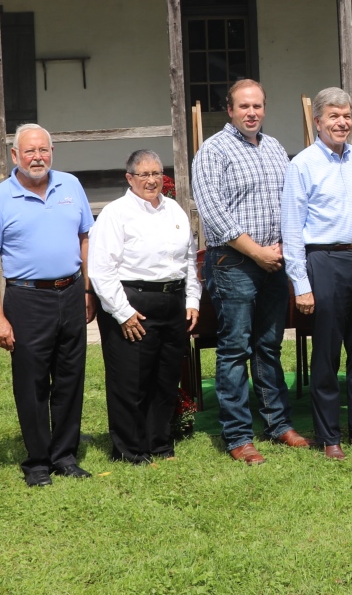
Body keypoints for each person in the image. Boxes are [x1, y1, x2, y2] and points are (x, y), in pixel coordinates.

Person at [191, 79, 310, 463]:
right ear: (229, 109)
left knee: (269, 347)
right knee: (234, 349)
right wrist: (257, 252)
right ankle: (239, 435)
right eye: (244, 106)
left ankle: (278, 424)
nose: (252, 112)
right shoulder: (213, 151)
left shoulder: (275, 147)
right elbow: (214, 214)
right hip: (234, 264)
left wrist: (280, 252)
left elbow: (291, 204)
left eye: (257, 106)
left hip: (273, 263)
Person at [0, 124, 95, 486]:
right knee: (31, 384)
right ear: (15, 156)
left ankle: (65, 456)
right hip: (27, 298)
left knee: (70, 379)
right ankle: (38, 462)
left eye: (43, 150)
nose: (37, 157)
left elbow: (85, 237)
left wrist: (88, 291)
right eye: (29, 151)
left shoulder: (71, 185)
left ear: (52, 151)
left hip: (71, 291)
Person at [283, 87, 352, 460]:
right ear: (318, 121)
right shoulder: (303, 165)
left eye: (346, 115)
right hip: (325, 262)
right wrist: (302, 284)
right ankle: (329, 436)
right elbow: (292, 227)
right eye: (334, 116)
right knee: (326, 354)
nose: (341, 122)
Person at [88, 149, 200, 465]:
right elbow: (101, 270)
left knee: (165, 378)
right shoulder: (115, 213)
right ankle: (130, 451)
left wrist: (191, 300)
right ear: (130, 178)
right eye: (144, 175)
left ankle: (161, 445)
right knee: (130, 381)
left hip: (172, 301)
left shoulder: (175, 210)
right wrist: (122, 313)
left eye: (156, 174)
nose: (151, 181)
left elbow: (189, 260)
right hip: (132, 301)